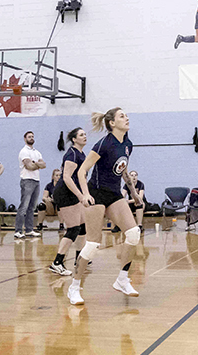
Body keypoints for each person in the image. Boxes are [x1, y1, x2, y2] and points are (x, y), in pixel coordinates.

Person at [73, 107, 144, 302]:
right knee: (93, 244)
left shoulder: (127, 144)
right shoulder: (103, 144)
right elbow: (82, 171)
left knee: (133, 233)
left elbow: (123, 170)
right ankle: (74, 286)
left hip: (114, 193)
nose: (127, 118)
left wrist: (134, 194)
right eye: (122, 116)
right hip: (95, 194)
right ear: (112, 123)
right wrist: (85, 194)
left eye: (127, 115)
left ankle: (122, 279)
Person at [52, 128, 90, 281]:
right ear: (74, 139)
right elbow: (67, 178)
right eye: (81, 135)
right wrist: (81, 196)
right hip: (65, 192)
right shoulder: (72, 154)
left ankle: (79, 259)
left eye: (85, 134)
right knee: (73, 228)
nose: (85, 136)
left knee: (82, 227)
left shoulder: (81, 154)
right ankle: (57, 262)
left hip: (74, 192)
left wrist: (86, 193)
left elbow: (82, 177)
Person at [17, 131, 46, 240]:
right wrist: (36, 164)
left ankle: (29, 230)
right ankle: (18, 231)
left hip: (36, 180)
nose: (31, 138)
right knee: (23, 207)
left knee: (32, 207)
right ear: (25, 139)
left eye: (33, 136)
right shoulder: (24, 151)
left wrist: (35, 163)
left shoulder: (37, 152)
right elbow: (29, 166)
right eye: (29, 137)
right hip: (27, 180)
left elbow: (44, 165)